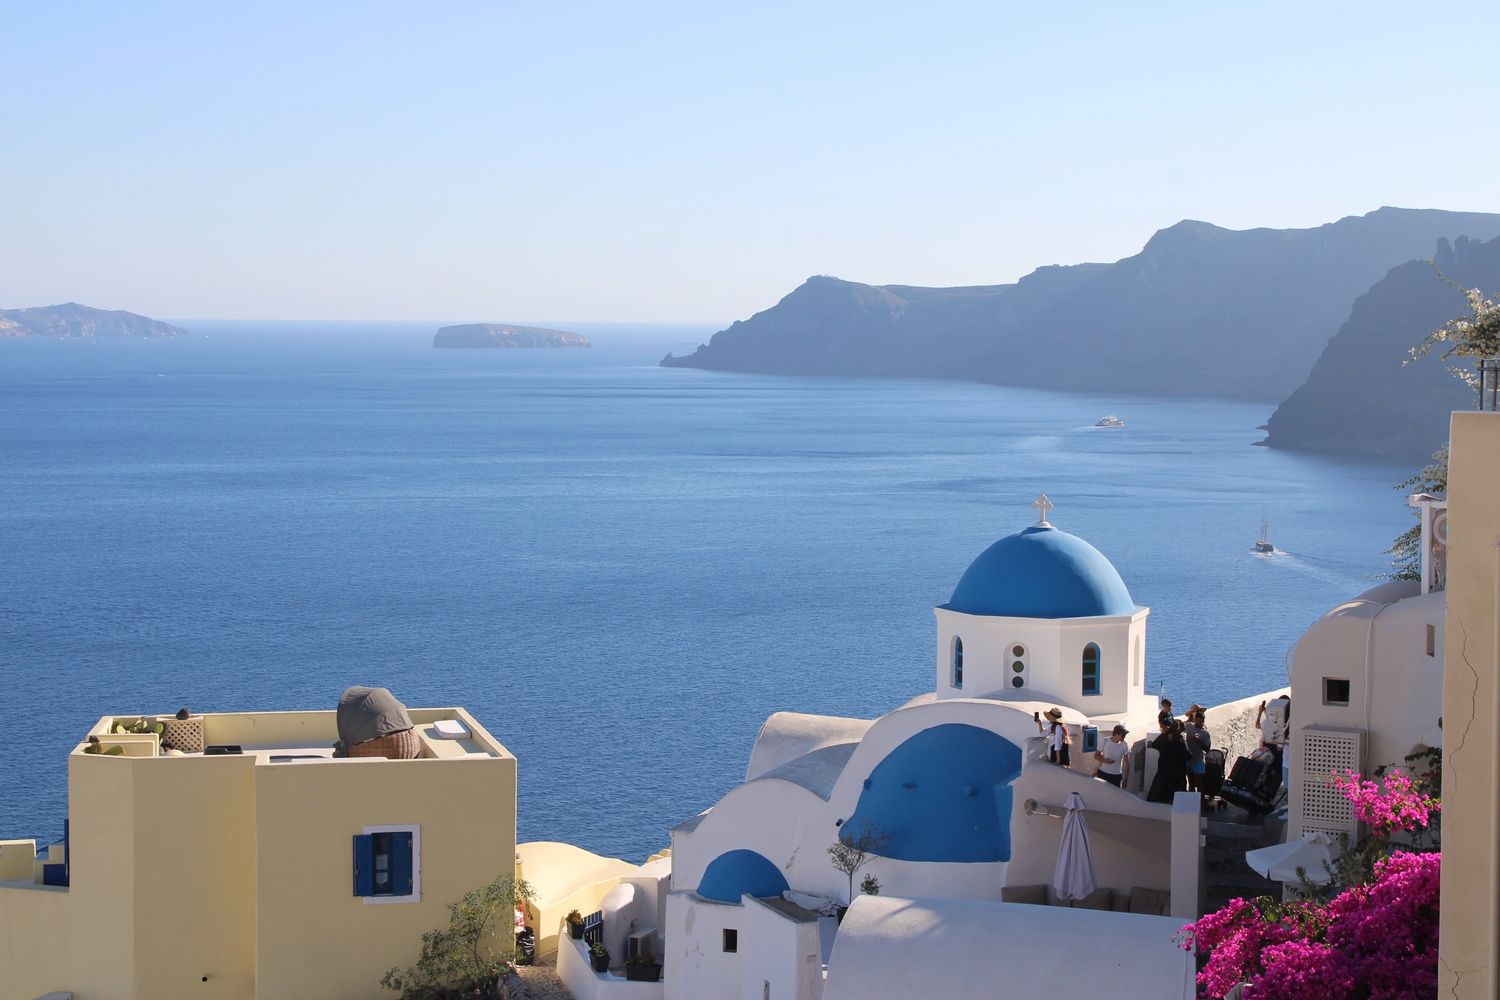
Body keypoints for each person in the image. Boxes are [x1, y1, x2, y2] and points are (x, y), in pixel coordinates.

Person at [1147, 718, 1188, 803]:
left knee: (1161, 784)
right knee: (1175, 786)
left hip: (1163, 767)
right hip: (1176, 769)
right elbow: (1186, 755)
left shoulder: (1163, 736)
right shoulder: (1180, 740)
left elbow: (1154, 744)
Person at [1184, 705, 1210, 792]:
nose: (1201, 722)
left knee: (1200, 785)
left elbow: (1207, 749)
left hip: (1198, 759)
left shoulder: (1205, 732)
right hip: (1189, 759)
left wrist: (1198, 741)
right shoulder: (1188, 726)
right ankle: (1192, 804)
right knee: (1190, 784)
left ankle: (1201, 804)